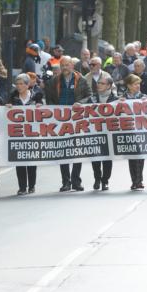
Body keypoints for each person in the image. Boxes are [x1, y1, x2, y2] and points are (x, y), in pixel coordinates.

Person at [50, 56, 90, 192]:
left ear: (72, 66)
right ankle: (65, 182)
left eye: (67, 65)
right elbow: (50, 99)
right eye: (62, 65)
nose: (64, 68)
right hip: (60, 121)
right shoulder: (55, 80)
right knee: (63, 151)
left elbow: (89, 96)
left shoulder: (82, 80)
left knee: (77, 150)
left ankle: (76, 180)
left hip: (77, 120)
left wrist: (81, 103)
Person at [8, 74, 43, 195]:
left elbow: (45, 111)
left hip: (32, 133)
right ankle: (22, 187)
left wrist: (40, 106)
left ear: (28, 85)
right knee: (20, 161)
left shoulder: (36, 96)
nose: (19, 86)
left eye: (21, 84)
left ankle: (31, 186)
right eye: (17, 84)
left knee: (32, 161)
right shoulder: (12, 97)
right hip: (18, 134)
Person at [89, 72, 116, 191]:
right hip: (95, 132)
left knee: (107, 158)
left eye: (102, 83)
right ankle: (97, 178)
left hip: (109, 132)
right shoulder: (92, 98)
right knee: (95, 157)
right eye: (98, 83)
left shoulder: (115, 99)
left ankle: (105, 180)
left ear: (109, 86)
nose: (99, 85)